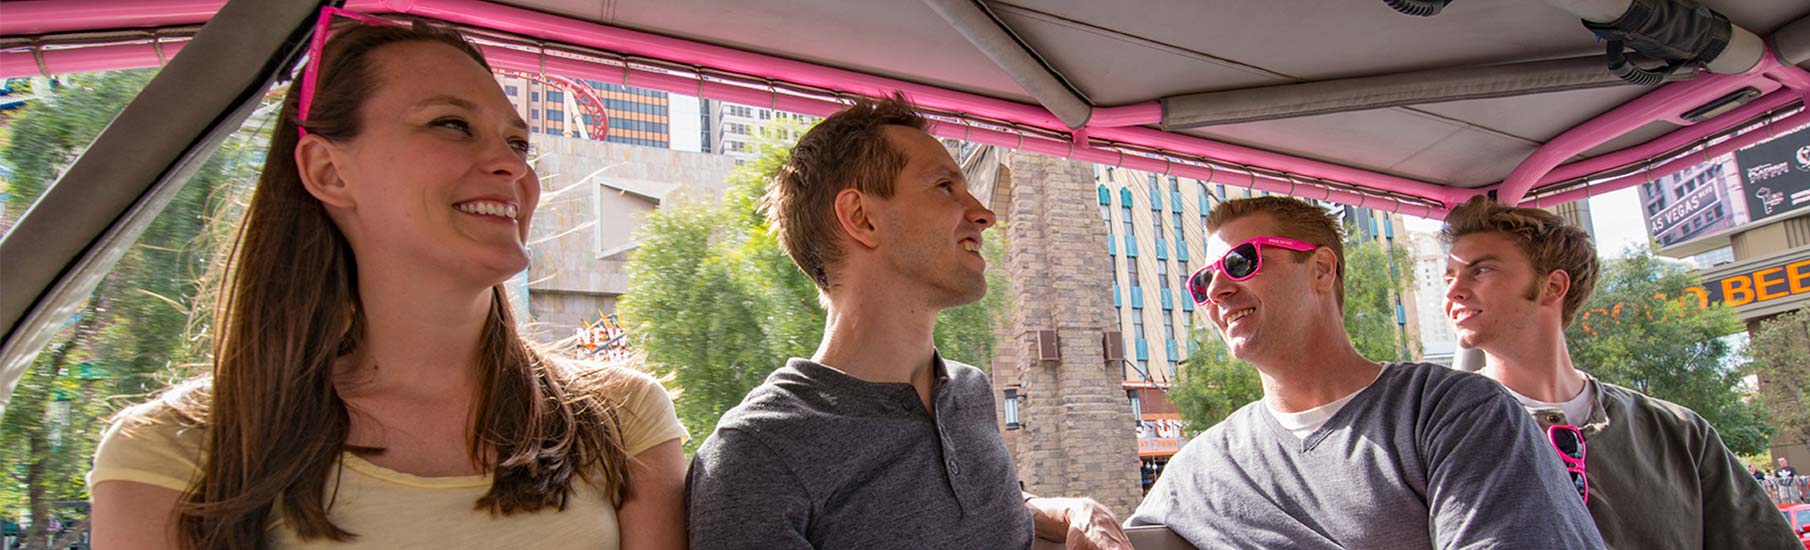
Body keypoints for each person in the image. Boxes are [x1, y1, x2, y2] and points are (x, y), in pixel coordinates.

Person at [87, 13, 688, 549]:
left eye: (517, 141)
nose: (513, 165)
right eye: (451, 124)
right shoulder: (169, 450)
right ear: (328, 171)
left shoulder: (624, 417)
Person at [683, 95, 1130, 549]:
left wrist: (1073, 511)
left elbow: (985, 509)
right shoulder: (756, 454)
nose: (984, 214)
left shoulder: (969, 392)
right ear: (861, 218)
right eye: (944, 187)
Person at [1125, 196, 1603, 549]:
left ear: (1321, 269)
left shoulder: (1455, 414)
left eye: (1241, 261)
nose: (1218, 291)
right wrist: (1059, 511)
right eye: (1203, 280)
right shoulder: (1201, 466)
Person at [1439, 196, 1799, 549]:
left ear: (1553, 286)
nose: (1454, 291)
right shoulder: (1437, 436)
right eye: (1450, 276)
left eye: (1481, 270)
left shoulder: (1680, 435)